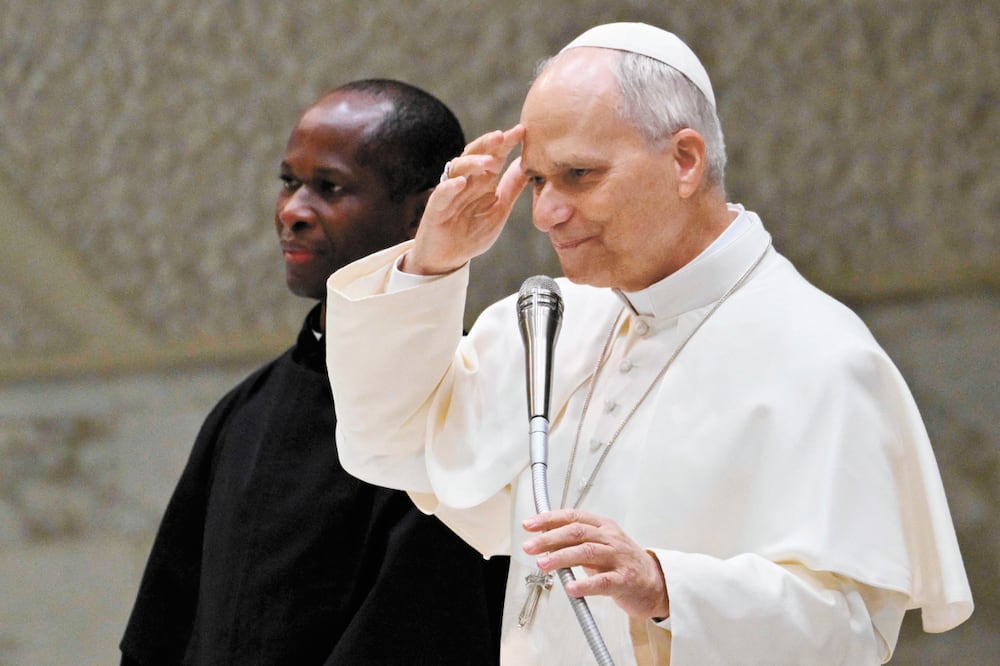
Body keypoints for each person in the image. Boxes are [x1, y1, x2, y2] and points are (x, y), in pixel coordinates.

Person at [324, 23, 974, 665]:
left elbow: (851, 631)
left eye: (578, 174)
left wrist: (666, 586)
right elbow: (391, 444)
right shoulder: (554, 318)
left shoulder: (823, 355)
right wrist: (431, 266)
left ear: (684, 161)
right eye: (539, 181)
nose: (546, 214)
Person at [119, 79, 509, 665]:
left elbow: (422, 629)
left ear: (423, 213)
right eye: (289, 183)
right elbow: (166, 628)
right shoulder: (244, 411)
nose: (293, 212)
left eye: (329, 188)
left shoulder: (459, 404)